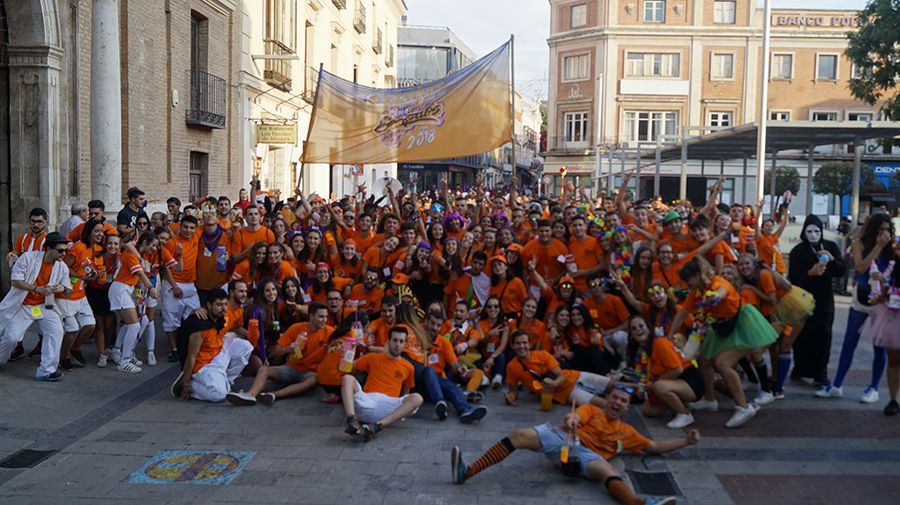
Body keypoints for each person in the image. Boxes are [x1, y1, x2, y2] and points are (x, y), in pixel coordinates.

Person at [451, 385, 693, 505]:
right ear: (608, 400)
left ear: (628, 407)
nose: (617, 402)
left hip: (587, 457)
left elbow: (654, 446)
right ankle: (467, 471)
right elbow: (574, 417)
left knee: (608, 471)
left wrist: (686, 440)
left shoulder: (627, 432)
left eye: (623, 400)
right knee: (518, 434)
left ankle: (638, 503)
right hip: (562, 438)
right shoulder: (592, 410)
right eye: (615, 397)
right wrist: (572, 420)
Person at [816, 213, 891, 401]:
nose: (884, 233)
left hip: (881, 301)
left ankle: (873, 388)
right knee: (849, 343)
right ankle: (837, 385)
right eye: (880, 229)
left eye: (887, 230)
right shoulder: (860, 244)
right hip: (861, 299)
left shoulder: (893, 248)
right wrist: (878, 247)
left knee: (879, 347)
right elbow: (860, 267)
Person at [226, 302, 332, 406]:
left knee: (314, 380)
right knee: (264, 369)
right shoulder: (296, 328)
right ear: (311, 316)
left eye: (326, 317)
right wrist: (289, 348)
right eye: (321, 317)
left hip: (310, 372)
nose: (324, 320)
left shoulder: (329, 332)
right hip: (291, 368)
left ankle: (273, 395)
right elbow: (276, 351)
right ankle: (250, 394)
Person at [0, 232, 72, 381]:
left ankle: (46, 371)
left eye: (65, 250)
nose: (63, 254)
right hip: (23, 306)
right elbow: (15, 281)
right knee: (12, 337)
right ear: (49, 249)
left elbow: (68, 290)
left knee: (56, 331)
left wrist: (63, 289)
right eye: (60, 250)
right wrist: (35, 289)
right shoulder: (28, 258)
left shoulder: (62, 266)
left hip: (45, 306)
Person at [788, 214, 846, 387]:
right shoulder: (798, 251)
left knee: (823, 335)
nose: (813, 234)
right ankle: (800, 368)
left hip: (824, 300)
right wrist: (810, 273)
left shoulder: (830, 246)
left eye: (817, 231)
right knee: (802, 336)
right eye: (809, 231)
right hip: (803, 300)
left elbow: (841, 270)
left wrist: (832, 259)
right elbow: (794, 278)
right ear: (804, 232)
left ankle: (821, 372)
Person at [342, 326, 424, 442]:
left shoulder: (409, 367)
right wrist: (346, 352)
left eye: (401, 341)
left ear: (405, 344)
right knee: (347, 378)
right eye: (395, 340)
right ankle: (351, 420)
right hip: (367, 400)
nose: (398, 344)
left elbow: (406, 393)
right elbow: (345, 369)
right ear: (388, 341)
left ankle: (377, 426)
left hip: (388, 406)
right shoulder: (372, 357)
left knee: (417, 398)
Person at [172, 289, 253, 402]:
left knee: (246, 347)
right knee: (219, 395)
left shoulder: (220, 317)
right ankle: (192, 385)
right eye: (219, 305)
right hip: (203, 366)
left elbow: (234, 326)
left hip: (218, 354)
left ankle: (225, 380)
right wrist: (186, 384)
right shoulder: (200, 326)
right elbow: (191, 357)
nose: (224, 308)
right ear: (209, 305)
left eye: (225, 304)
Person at [504, 330, 617, 408]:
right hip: (567, 393)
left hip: (575, 376)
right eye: (518, 343)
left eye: (524, 343)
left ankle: (633, 389)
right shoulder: (512, 366)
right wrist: (510, 397)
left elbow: (561, 376)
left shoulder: (542, 355)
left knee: (613, 384)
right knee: (602, 404)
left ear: (529, 344)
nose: (522, 346)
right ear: (513, 346)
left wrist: (552, 384)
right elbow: (514, 390)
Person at [107, 232, 161, 373]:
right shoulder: (132, 256)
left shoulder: (136, 256)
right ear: (145, 243)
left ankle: (121, 352)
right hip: (120, 290)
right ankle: (124, 360)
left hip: (125, 290)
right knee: (134, 325)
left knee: (137, 322)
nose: (154, 249)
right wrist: (151, 287)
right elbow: (141, 274)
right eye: (153, 245)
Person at [162, 215, 200, 362]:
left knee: (196, 315)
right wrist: (174, 286)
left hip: (190, 284)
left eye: (192, 228)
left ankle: (189, 346)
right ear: (180, 227)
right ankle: (174, 349)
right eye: (185, 227)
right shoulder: (171, 243)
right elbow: (165, 267)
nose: (188, 230)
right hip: (172, 285)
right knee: (171, 320)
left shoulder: (196, 239)